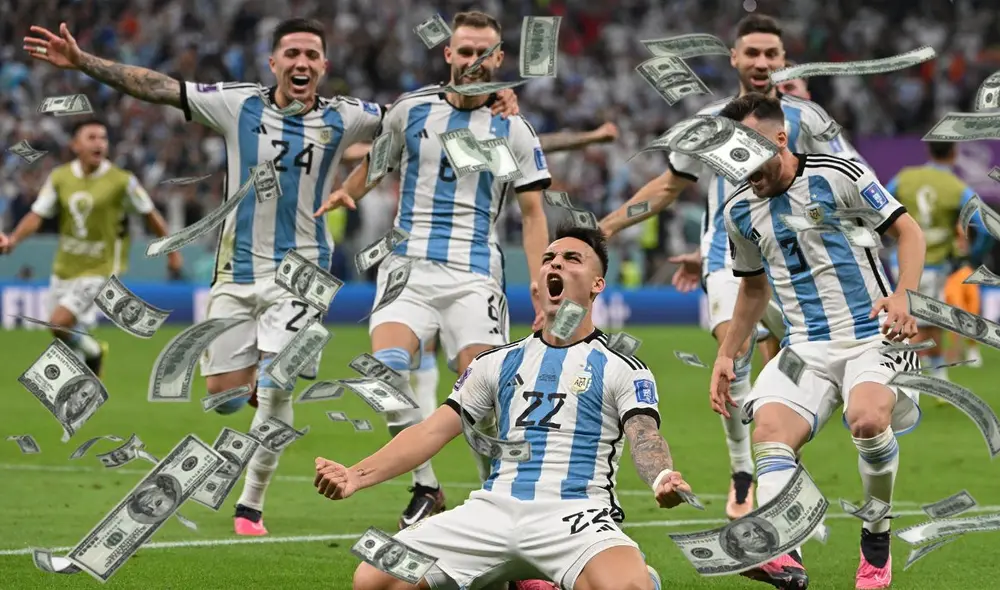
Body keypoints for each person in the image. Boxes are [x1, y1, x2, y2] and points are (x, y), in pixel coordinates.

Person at [23, 17, 519, 538]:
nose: (302, 63)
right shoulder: (237, 104)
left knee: (277, 380)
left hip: (303, 270)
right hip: (236, 271)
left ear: (324, 66)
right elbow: (159, 86)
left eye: (312, 55)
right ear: (273, 62)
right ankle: (263, 389)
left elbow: (427, 112)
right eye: (292, 54)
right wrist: (83, 62)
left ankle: (251, 504)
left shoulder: (346, 115)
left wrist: (494, 95)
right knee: (224, 395)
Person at [314, 225, 690, 590]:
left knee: (629, 586)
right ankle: (501, 578)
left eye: (572, 258)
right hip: (493, 510)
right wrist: (355, 476)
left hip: (576, 514)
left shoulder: (621, 366)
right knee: (375, 577)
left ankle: (634, 574)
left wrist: (661, 477)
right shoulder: (495, 363)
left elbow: (645, 435)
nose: (556, 263)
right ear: (538, 282)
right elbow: (431, 432)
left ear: (597, 284)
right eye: (549, 258)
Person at [600, 14, 866, 522]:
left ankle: (777, 467)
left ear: (784, 60)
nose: (762, 62)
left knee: (786, 377)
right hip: (726, 257)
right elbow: (668, 186)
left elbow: (850, 182)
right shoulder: (707, 122)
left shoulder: (807, 119)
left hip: (796, 267)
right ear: (734, 58)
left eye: (771, 54)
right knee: (733, 349)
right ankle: (743, 472)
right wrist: (606, 227)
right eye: (753, 53)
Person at [315, 11, 550, 532]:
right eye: (465, 51)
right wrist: (347, 192)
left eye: (484, 53)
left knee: (484, 398)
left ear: (500, 59)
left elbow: (533, 214)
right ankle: (426, 486)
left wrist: (542, 286)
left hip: (474, 274)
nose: (474, 61)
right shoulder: (412, 111)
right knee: (385, 369)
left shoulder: (511, 128)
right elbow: (376, 163)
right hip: (408, 269)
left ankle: (496, 504)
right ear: (448, 54)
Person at [711, 93, 925, 589]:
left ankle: (876, 539)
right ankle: (784, 554)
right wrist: (726, 352)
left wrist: (904, 296)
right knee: (769, 433)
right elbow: (754, 288)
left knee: (867, 419)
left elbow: (909, 233)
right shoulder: (738, 210)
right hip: (805, 346)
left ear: (780, 138)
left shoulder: (838, 174)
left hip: (874, 334)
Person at [0, 119, 179, 377]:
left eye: (103, 138)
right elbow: (37, 215)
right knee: (59, 330)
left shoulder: (122, 181)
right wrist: (14, 240)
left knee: (59, 322)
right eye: (92, 137)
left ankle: (88, 360)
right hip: (65, 266)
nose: (99, 144)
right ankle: (92, 353)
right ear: (75, 145)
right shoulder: (60, 177)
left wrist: (172, 251)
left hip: (100, 267)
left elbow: (150, 214)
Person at [884, 141, 989, 383]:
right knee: (927, 321)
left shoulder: (904, 178)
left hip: (901, 260)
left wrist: (887, 237)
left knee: (912, 315)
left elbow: (878, 206)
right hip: (933, 264)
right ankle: (922, 376)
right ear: (954, 153)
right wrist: (973, 253)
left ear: (929, 151)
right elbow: (984, 227)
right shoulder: (958, 188)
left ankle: (924, 372)